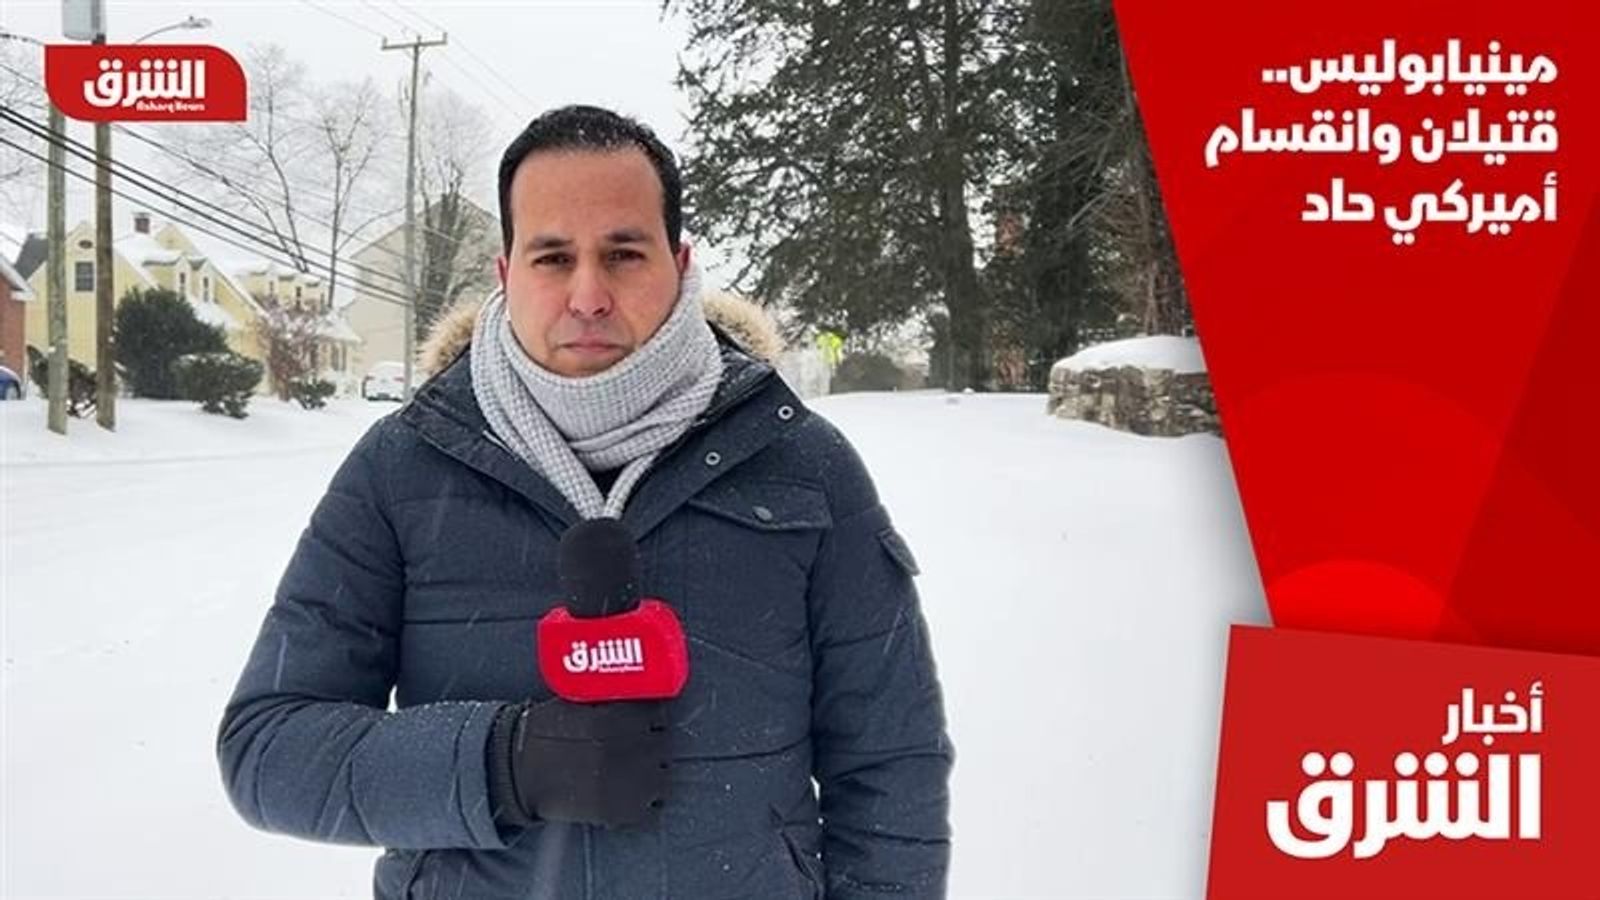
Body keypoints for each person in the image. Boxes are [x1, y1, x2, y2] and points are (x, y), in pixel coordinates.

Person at [217, 104, 953, 900]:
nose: (589, 294)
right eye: (553, 257)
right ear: (506, 272)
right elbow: (269, 749)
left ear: (680, 263)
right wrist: (499, 763)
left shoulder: (802, 465)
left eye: (624, 254)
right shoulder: (402, 469)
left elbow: (890, 762)